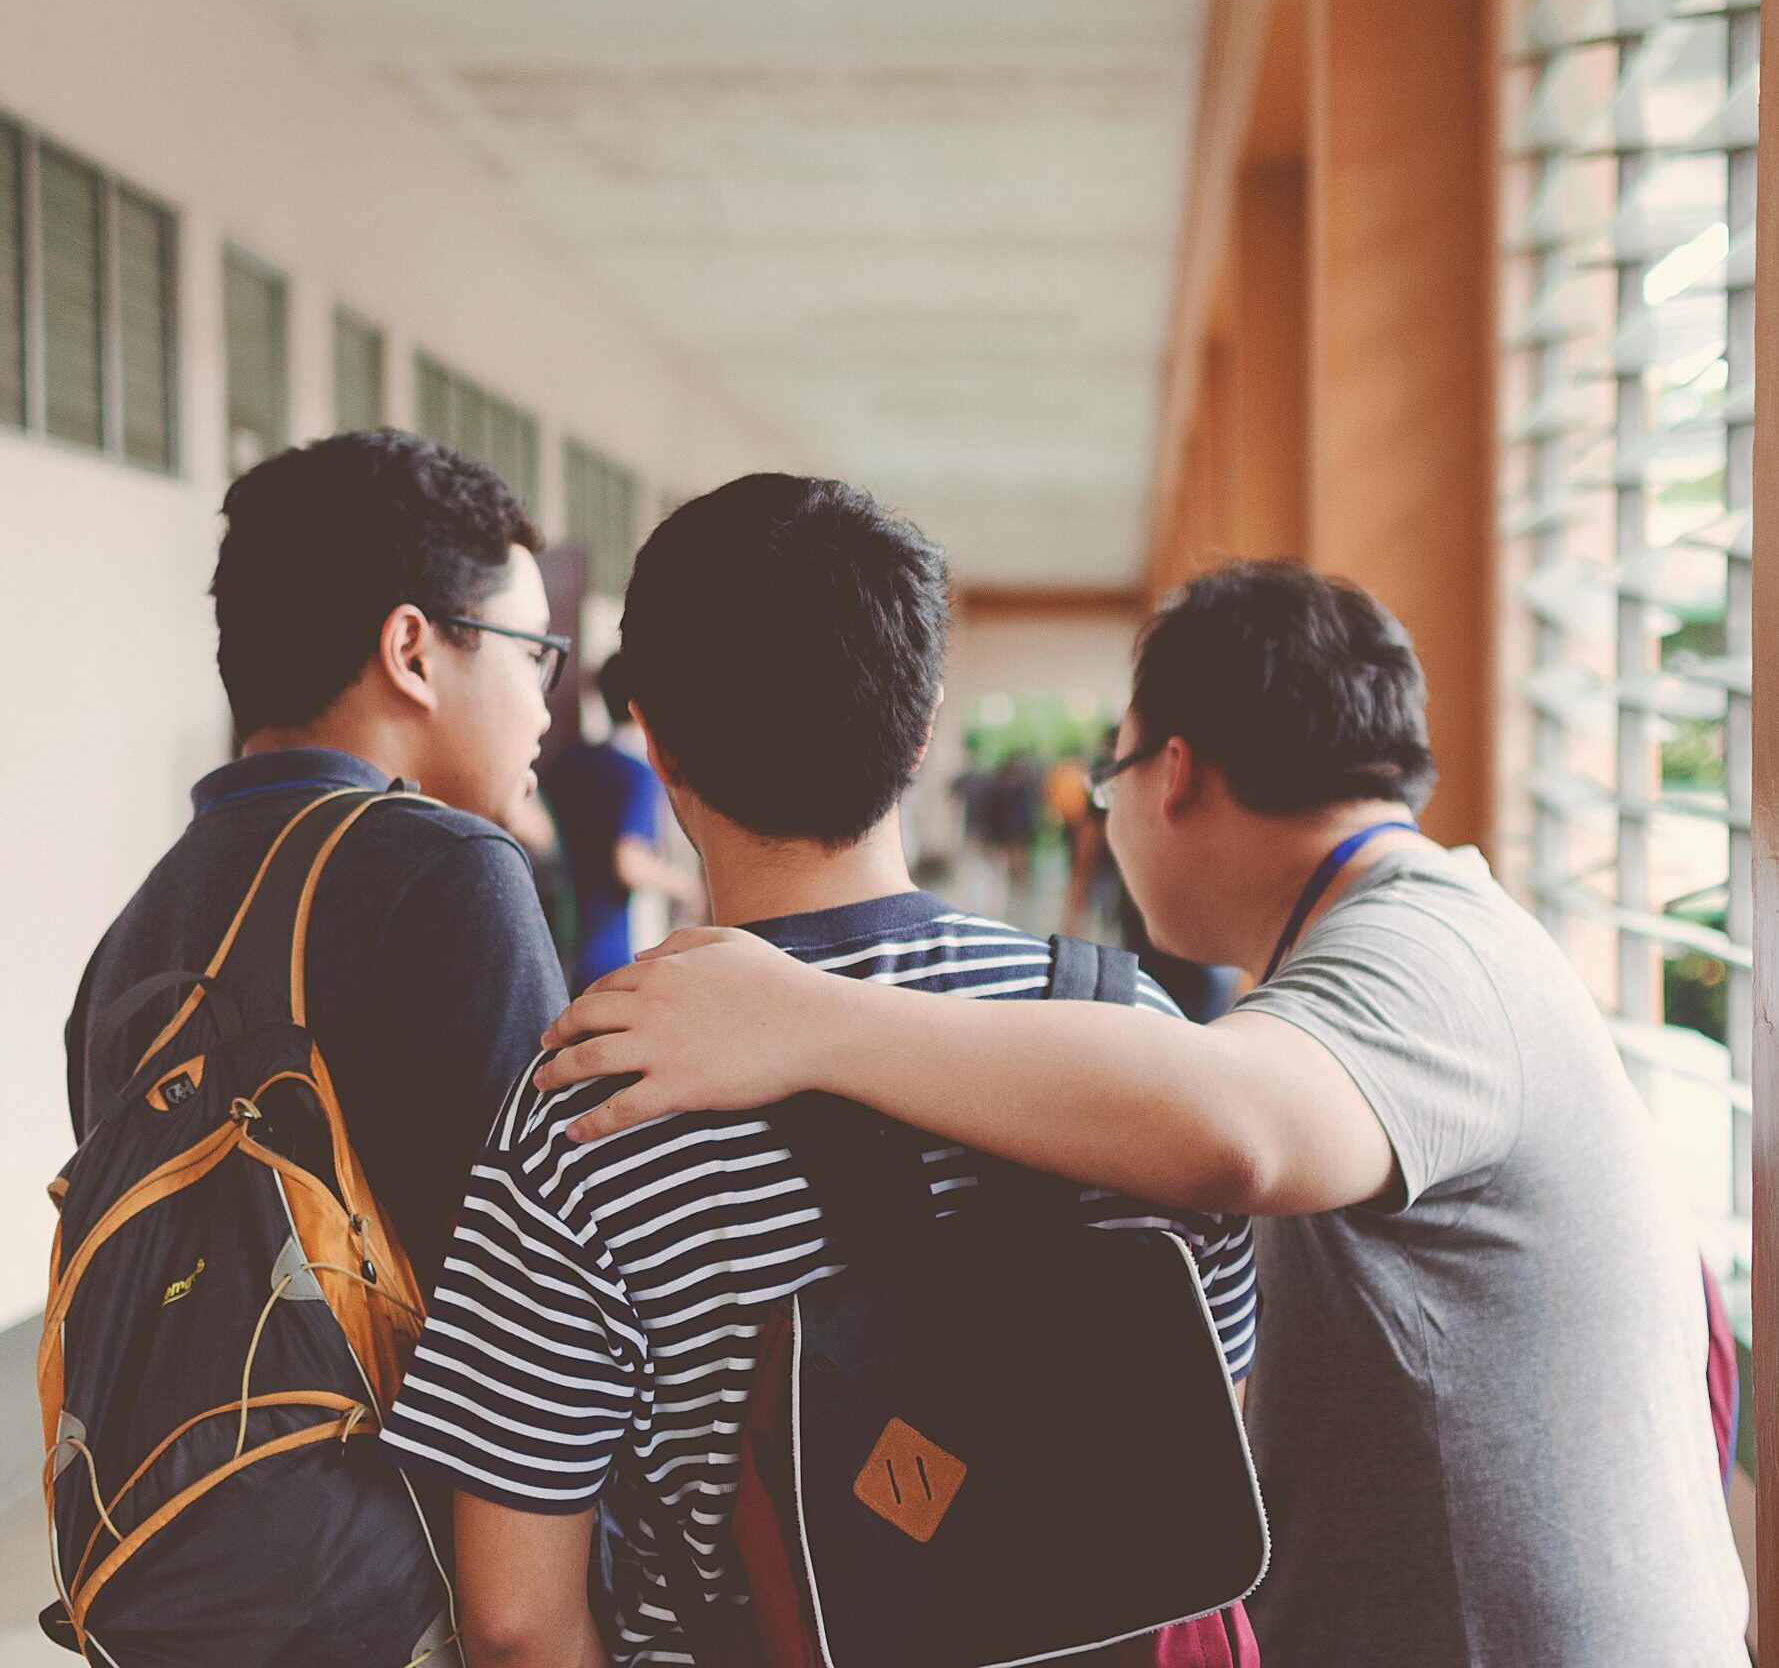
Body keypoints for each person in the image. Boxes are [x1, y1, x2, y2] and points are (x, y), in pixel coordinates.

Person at [537, 560, 1750, 1668]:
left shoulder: (1427, 952)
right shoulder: (1423, 930)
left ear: (1170, 774)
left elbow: (1235, 1132)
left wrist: (807, 1020)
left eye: (1109, 773)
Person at [377, 475, 1260, 1668]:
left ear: (658, 740)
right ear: (925, 719)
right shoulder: (1128, 1041)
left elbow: (518, 1617)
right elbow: (1212, 1432)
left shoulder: (596, 1100)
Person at [66, 429, 570, 1296]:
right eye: (531, 652)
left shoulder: (134, 931)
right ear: (412, 651)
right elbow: (549, 1290)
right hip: (403, 1436)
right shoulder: (453, 869)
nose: (543, 707)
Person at [543, 655, 703, 990]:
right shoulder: (638, 774)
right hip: (609, 948)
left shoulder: (571, 760)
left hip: (554, 936)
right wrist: (686, 887)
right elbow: (628, 863)